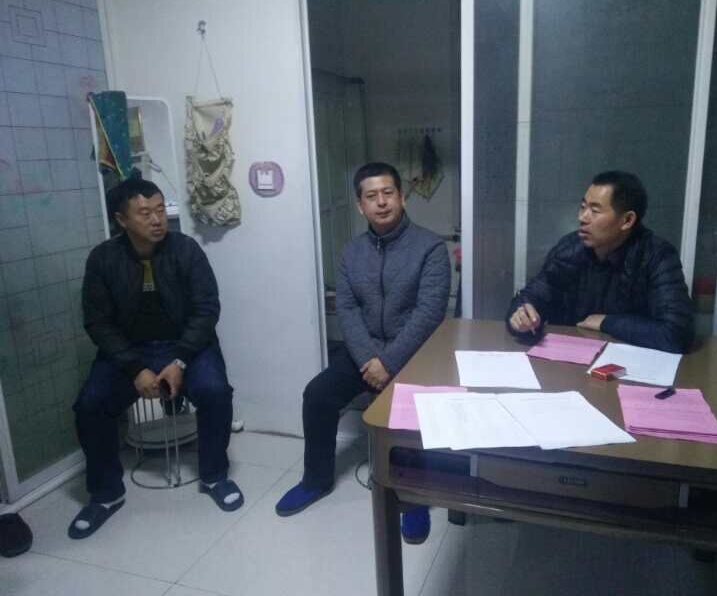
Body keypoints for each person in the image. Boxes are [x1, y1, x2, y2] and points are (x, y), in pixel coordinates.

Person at [275, 162, 451, 545]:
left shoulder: (431, 248)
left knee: (409, 410)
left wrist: (389, 363)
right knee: (317, 394)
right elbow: (348, 309)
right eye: (371, 196)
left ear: (402, 197)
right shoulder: (352, 253)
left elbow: (428, 314)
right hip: (364, 353)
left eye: (388, 193)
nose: (381, 202)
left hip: (413, 354)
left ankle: (412, 496)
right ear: (360, 205)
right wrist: (370, 360)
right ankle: (316, 480)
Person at [69, 178, 242, 540]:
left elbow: (207, 309)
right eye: (145, 213)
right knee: (90, 404)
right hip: (129, 352)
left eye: (160, 209)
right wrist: (135, 368)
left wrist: (180, 361)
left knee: (215, 392)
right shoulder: (103, 259)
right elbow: (97, 322)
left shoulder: (186, 250)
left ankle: (214, 476)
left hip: (187, 346)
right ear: (122, 220)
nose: (157, 219)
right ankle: (106, 493)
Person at [508, 170, 693, 353]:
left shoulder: (656, 256)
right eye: (583, 207)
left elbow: (677, 333)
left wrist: (607, 322)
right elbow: (531, 297)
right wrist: (520, 316)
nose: (582, 217)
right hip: (570, 358)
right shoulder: (570, 248)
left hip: (629, 361)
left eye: (595, 211)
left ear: (627, 220)